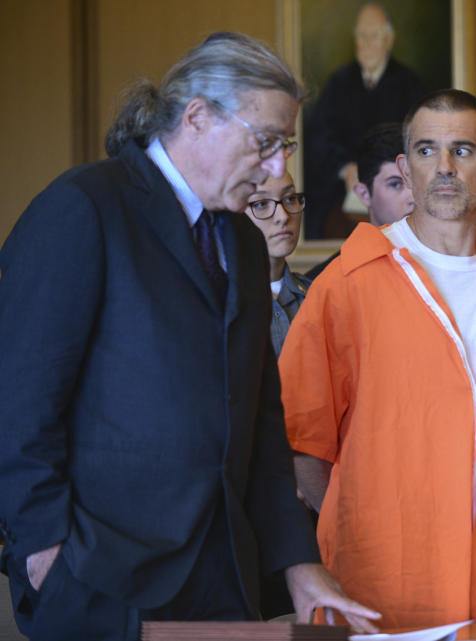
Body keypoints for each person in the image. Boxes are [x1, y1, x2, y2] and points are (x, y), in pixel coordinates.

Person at [0, 32, 379, 641]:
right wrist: (43, 556)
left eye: (285, 146)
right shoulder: (84, 208)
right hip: (103, 572)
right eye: (265, 143)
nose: (278, 167)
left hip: (222, 574)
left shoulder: (244, 245)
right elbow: (17, 405)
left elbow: (261, 423)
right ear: (198, 117)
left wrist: (299, 563)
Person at [279, 89, 476, 628]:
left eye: (464, 150)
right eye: (427, 150)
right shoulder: (345, 283)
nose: (445, 167)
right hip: (380, 581)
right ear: (404, 168)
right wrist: (362, 525)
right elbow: (300, 445)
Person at [302, 2, 425, 238]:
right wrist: (345, 168)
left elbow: (418, 142)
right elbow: (319, 136)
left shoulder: (409, 85)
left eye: (374, 36)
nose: (366, 44)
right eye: (361, 35)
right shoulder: (339, 83)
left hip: (398, 196)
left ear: (389, 39)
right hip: (343, 200)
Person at [305, 122, 413, 278]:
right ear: (364, 194)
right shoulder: (326, 281)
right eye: (395, 184)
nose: (412, 197)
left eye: (417, 182)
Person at [245, 171, 312, 357]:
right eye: (261, 204)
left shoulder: (317, 296)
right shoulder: (218, 302)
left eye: (290, 199)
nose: (283, 216)